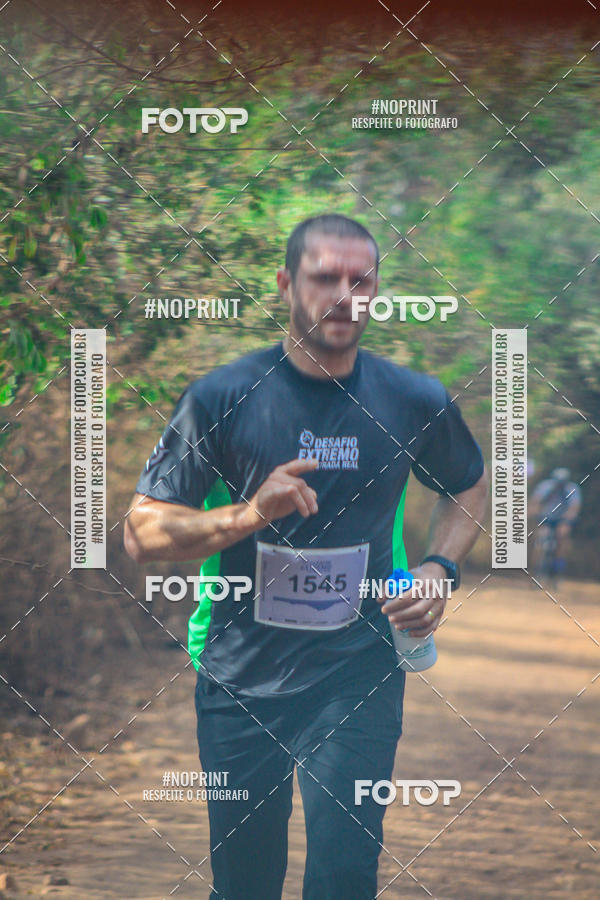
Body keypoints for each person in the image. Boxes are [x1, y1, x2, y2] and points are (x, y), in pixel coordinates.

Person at [124, 214, 488, 899]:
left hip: (360, 670)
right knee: (245, 881)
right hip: (239, 674)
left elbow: (468, 485)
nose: (345, 296)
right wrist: (249, 514)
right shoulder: (222, 398)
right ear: (287, 284)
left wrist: (438, 568)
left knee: (346, 875)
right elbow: (141, 533)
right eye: (325, 278)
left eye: (362, 280)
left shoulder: (413, 399)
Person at [530, 467, 581, 577]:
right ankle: (536, 567)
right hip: (546, 517)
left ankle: (558, 566)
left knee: (562, 535)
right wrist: (534, 512)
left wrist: (568, 519)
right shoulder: (545, 486)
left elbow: (574, 507)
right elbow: (536, 501)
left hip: (562, 518)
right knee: (540, 538)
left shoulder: (572, 488)